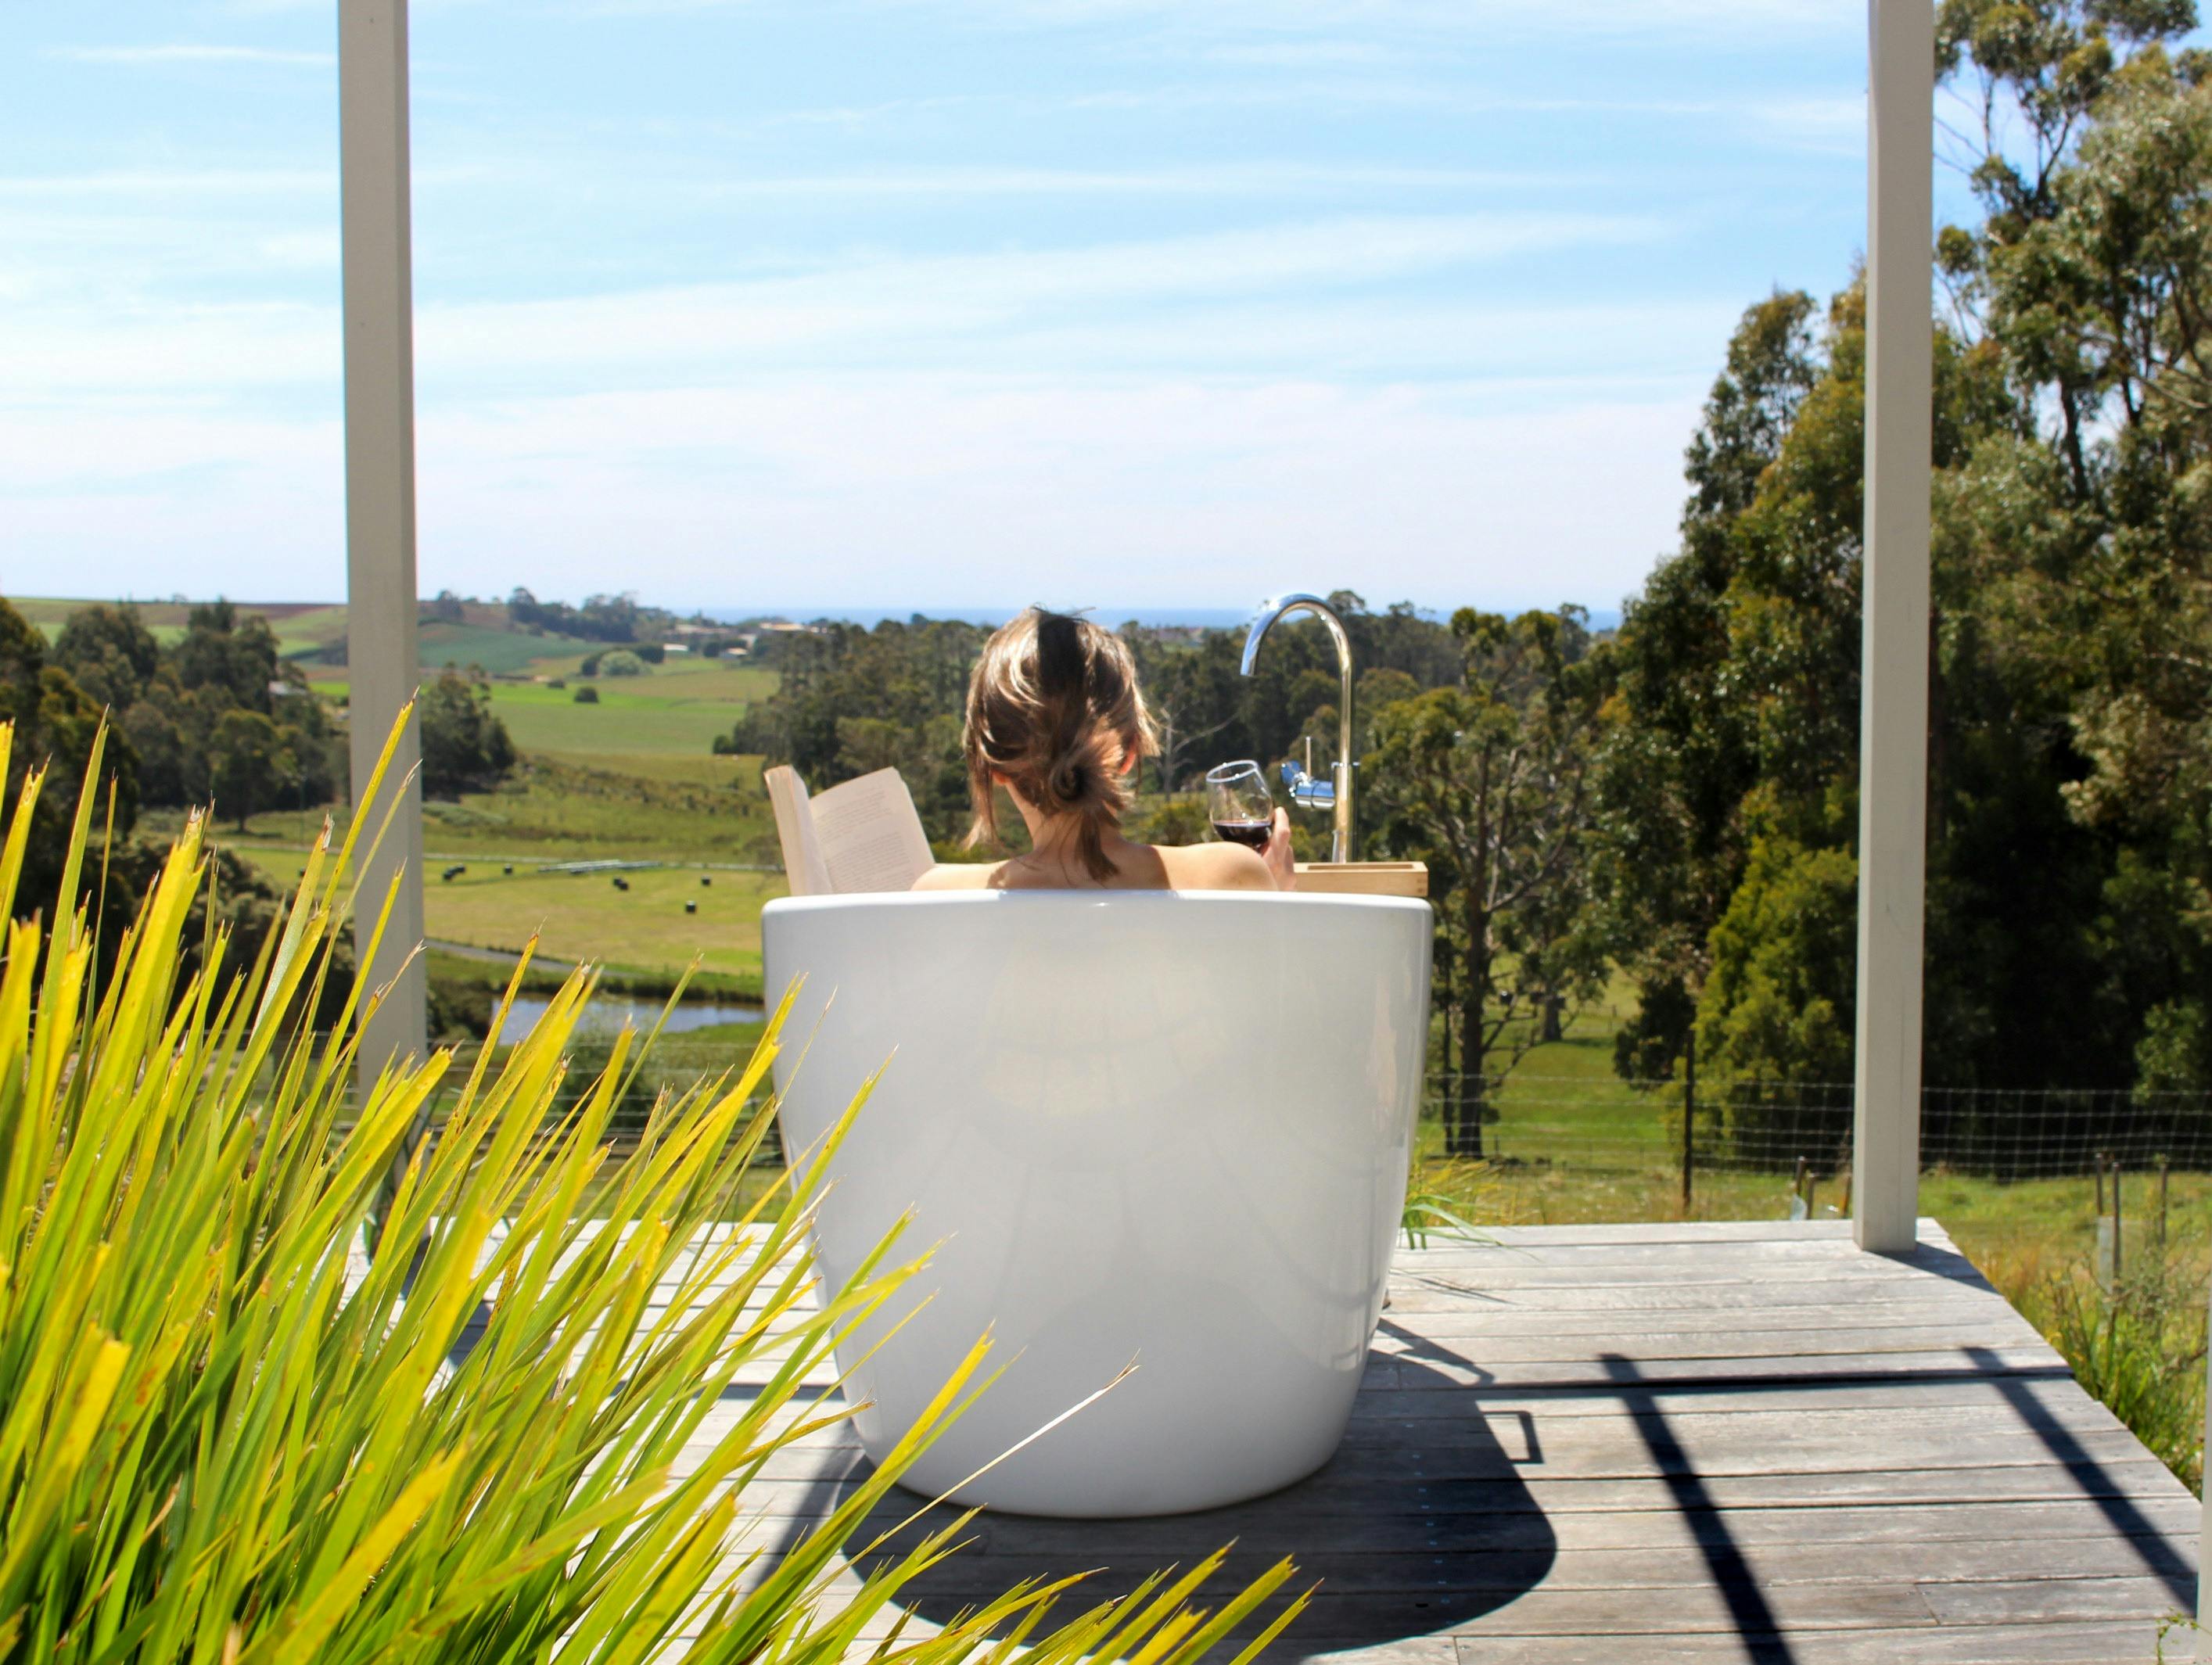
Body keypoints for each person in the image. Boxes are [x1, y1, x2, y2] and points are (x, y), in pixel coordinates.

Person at [911, 608, 1297, 892]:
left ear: (994, 767)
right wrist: (1273, 896)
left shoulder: (935, 894)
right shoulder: (1230, 876)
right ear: (1130, 750)